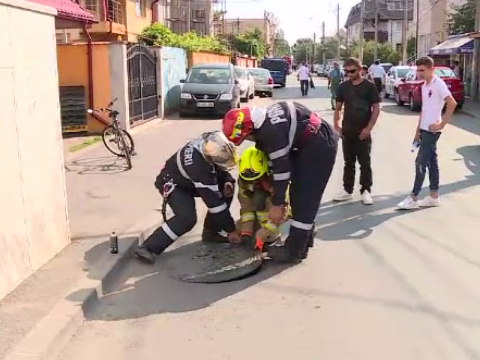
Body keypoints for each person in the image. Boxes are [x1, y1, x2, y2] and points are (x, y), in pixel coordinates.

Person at [222, 102, 338, 263]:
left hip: (320, 147)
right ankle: (304, 242)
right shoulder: (264, 120)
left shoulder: (271, 133)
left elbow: (282, 171)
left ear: (248, 129)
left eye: (246, 137)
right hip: (307, 144)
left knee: (306, 197)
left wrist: (278, 204)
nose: (248, 140)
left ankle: (293, 251)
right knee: (298, 194)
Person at [135, 131, 241, 264]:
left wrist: (226, 179)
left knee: (227, 188)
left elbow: (217, 167)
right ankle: (148, 247)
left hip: (187, 179)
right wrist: (231, 230)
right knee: (186, 218)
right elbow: (215, 204)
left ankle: (211, 233)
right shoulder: (199, 167)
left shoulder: (209, 143)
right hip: (174, 183)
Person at [397, 56, 457, 210]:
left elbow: (452, 103)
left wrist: (441, 124)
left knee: (420, 162)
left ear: (431, 69)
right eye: (418, 70)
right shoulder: (424, 86)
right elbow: (424, 110)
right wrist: (417, 131)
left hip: (432, 131)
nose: (420, 73)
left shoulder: (439, 84)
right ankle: (433, 196)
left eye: (422, 70)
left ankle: (413, 197)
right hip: (424, 130)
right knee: (432, 163)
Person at [333, 57, 380, 205]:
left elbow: (376, 109)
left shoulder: (369, 87)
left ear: (360, 70)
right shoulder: (343, 87)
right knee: (348, 162)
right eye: (346, 71)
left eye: (352, 71)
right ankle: (347, 190)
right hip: (347, 131)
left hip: (363, 131)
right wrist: (336, 125)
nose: (349, 74)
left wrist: (368, 128)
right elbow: (338, 107)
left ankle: (366, 190)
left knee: (365, 162)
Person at [237, 146, 294, 252]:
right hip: (262, 215)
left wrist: (263, 234)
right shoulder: (244, 181)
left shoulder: (278, 183)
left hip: (282, 216)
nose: (253, 183)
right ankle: (259, 230)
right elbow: (246, 209)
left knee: (269, 234)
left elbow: (283, 211)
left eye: (257, 179)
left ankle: (274, 235)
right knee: (239, 229)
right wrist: (246, 232)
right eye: (250, 181)